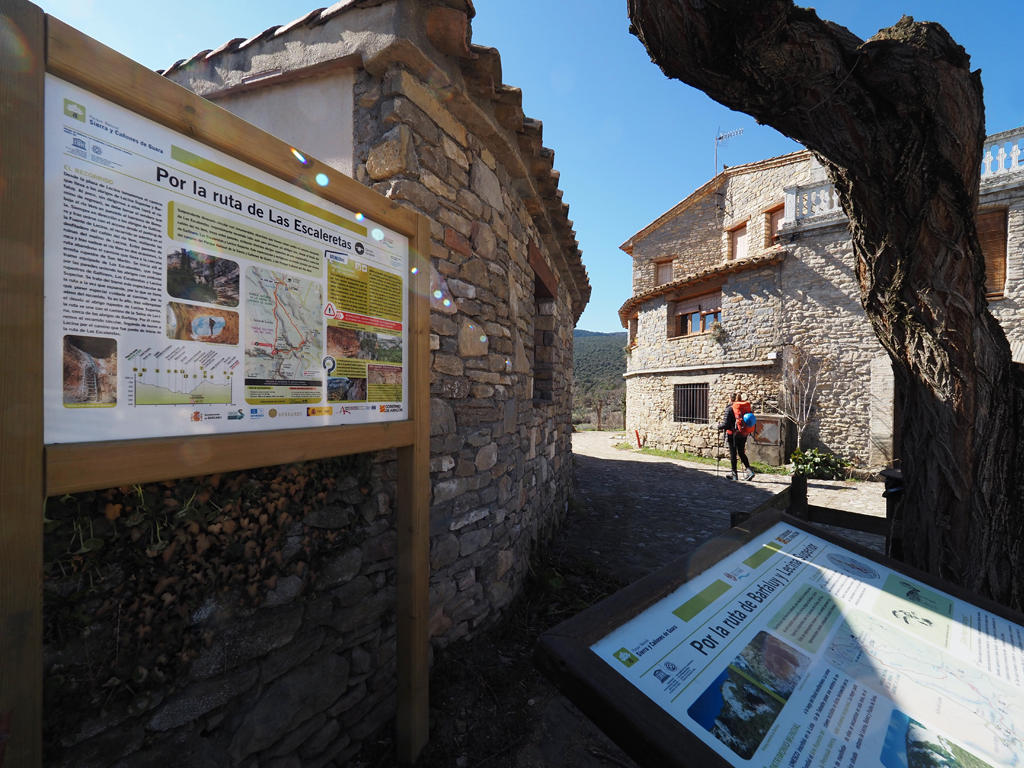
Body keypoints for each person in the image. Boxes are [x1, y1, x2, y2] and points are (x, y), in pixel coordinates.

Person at [717, 392, 756, 481]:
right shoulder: (743, 408)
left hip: (732, 434)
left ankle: (734, 474)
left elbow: (725, 424)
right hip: (743, 433)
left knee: (733, 454)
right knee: (741, 452)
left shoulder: (730, 408)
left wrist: (718, 426)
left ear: (731, 399)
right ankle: (749, 471)